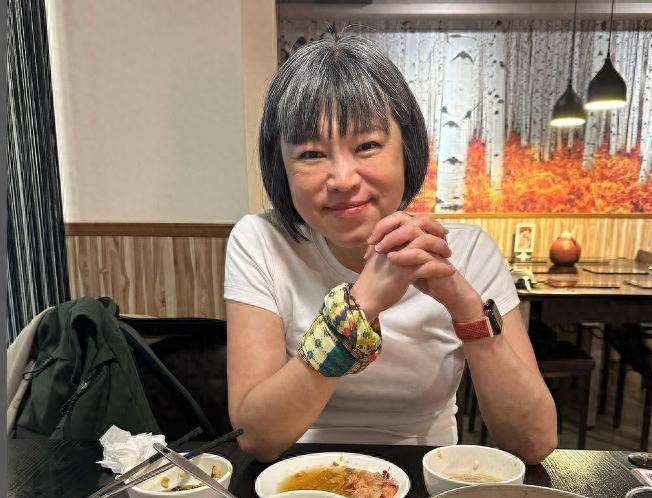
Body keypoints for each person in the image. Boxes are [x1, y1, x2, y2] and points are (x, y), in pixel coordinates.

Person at [225, 32, 557, 464]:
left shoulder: (470, 251)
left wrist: (465, 308)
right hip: (297, 478)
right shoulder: (261, 241)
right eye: (310, 154)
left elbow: (533, 444)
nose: (343, 179)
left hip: (426, 477)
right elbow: (257, 439)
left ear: (407, 149)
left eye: (366, 146)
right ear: (281, 167)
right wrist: (358, 309)